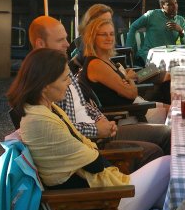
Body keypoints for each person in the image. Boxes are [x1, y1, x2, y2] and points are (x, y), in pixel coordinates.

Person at [6, 48, 170, 210]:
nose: (69, 83)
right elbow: (95, 163)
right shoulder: (42, 122)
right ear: (45, 86)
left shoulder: (41, 112)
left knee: (165, 182)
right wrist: (93, 150)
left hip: (95, 198)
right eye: (64, 79)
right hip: (97, 208)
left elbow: (88, 155)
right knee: (169, 164)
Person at [29, 15, 171, 159]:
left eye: (111, 34)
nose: (67, 44)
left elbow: (83, 104)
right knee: (162, 141)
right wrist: (97, 129)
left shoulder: (63, 67)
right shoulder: (45, 82)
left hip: (104, 126)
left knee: (168, 130)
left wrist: (100, 118)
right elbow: (65, 128)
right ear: (40, 44)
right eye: (60, 40)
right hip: (92, 142)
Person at [82, 17, 169, 124]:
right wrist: (129, 78)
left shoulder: (105, 59)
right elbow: (131, 93)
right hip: (130, 112)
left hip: (136, 101)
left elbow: (122, 83)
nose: (109, 38)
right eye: (104, 34)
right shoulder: (96, 64)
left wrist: (126, 76)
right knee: (175, 108)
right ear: (93, 37)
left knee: (159, 72)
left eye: (111, 34)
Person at [127, 0, 185, 65]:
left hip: (168, 58)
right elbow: (133, 27)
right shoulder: (152, 15)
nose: (175, 6)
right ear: (162, 6)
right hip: (148, 56)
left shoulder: (180, 20)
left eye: (175, 3)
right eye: (170, 4)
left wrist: (180, 31)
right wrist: (129, 49)